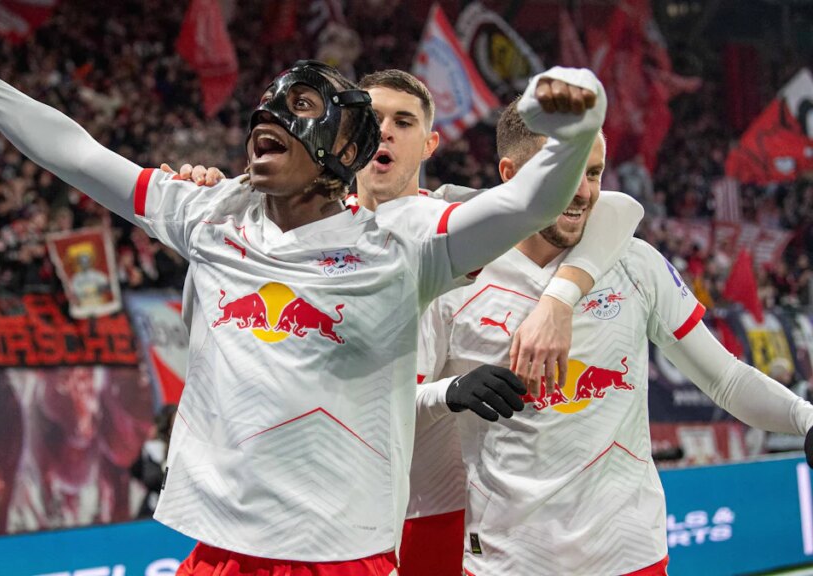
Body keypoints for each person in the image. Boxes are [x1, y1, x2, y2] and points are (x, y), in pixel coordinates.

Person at [0, 11, 605, 573]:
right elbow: (74, 152)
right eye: (267, 104)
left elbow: (526, 206)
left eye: (299, 106)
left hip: (341, 557)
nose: (269, 114)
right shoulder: (208, 214)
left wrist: (575, 133)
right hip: (220, 552)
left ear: (342, 150)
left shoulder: (401, 247)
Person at [171, 69, 641, 576]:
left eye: (403, 121)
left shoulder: (457, 222)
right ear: (345, 136)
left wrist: (559, 300)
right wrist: (209, 199)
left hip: (436, 511)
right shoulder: (288, 233)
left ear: (430, 144)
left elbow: (616, 207)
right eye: (372, 119)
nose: (385, 131)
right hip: (322, 512)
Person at [415, 100, 813, 575]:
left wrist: (805, 418)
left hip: (629, 555)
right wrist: (452, 391)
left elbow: (725, 379)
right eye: (565, 173)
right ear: (510, 173)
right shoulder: (454, 277)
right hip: (508, 560)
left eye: (594, 173)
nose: (583, 192)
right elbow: (398, 405)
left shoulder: (635, 263)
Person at [131, 404, 177, 519]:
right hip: (154, 511)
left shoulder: (186, 450)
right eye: (174, 424)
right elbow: (149, 478)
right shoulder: (154, 449)